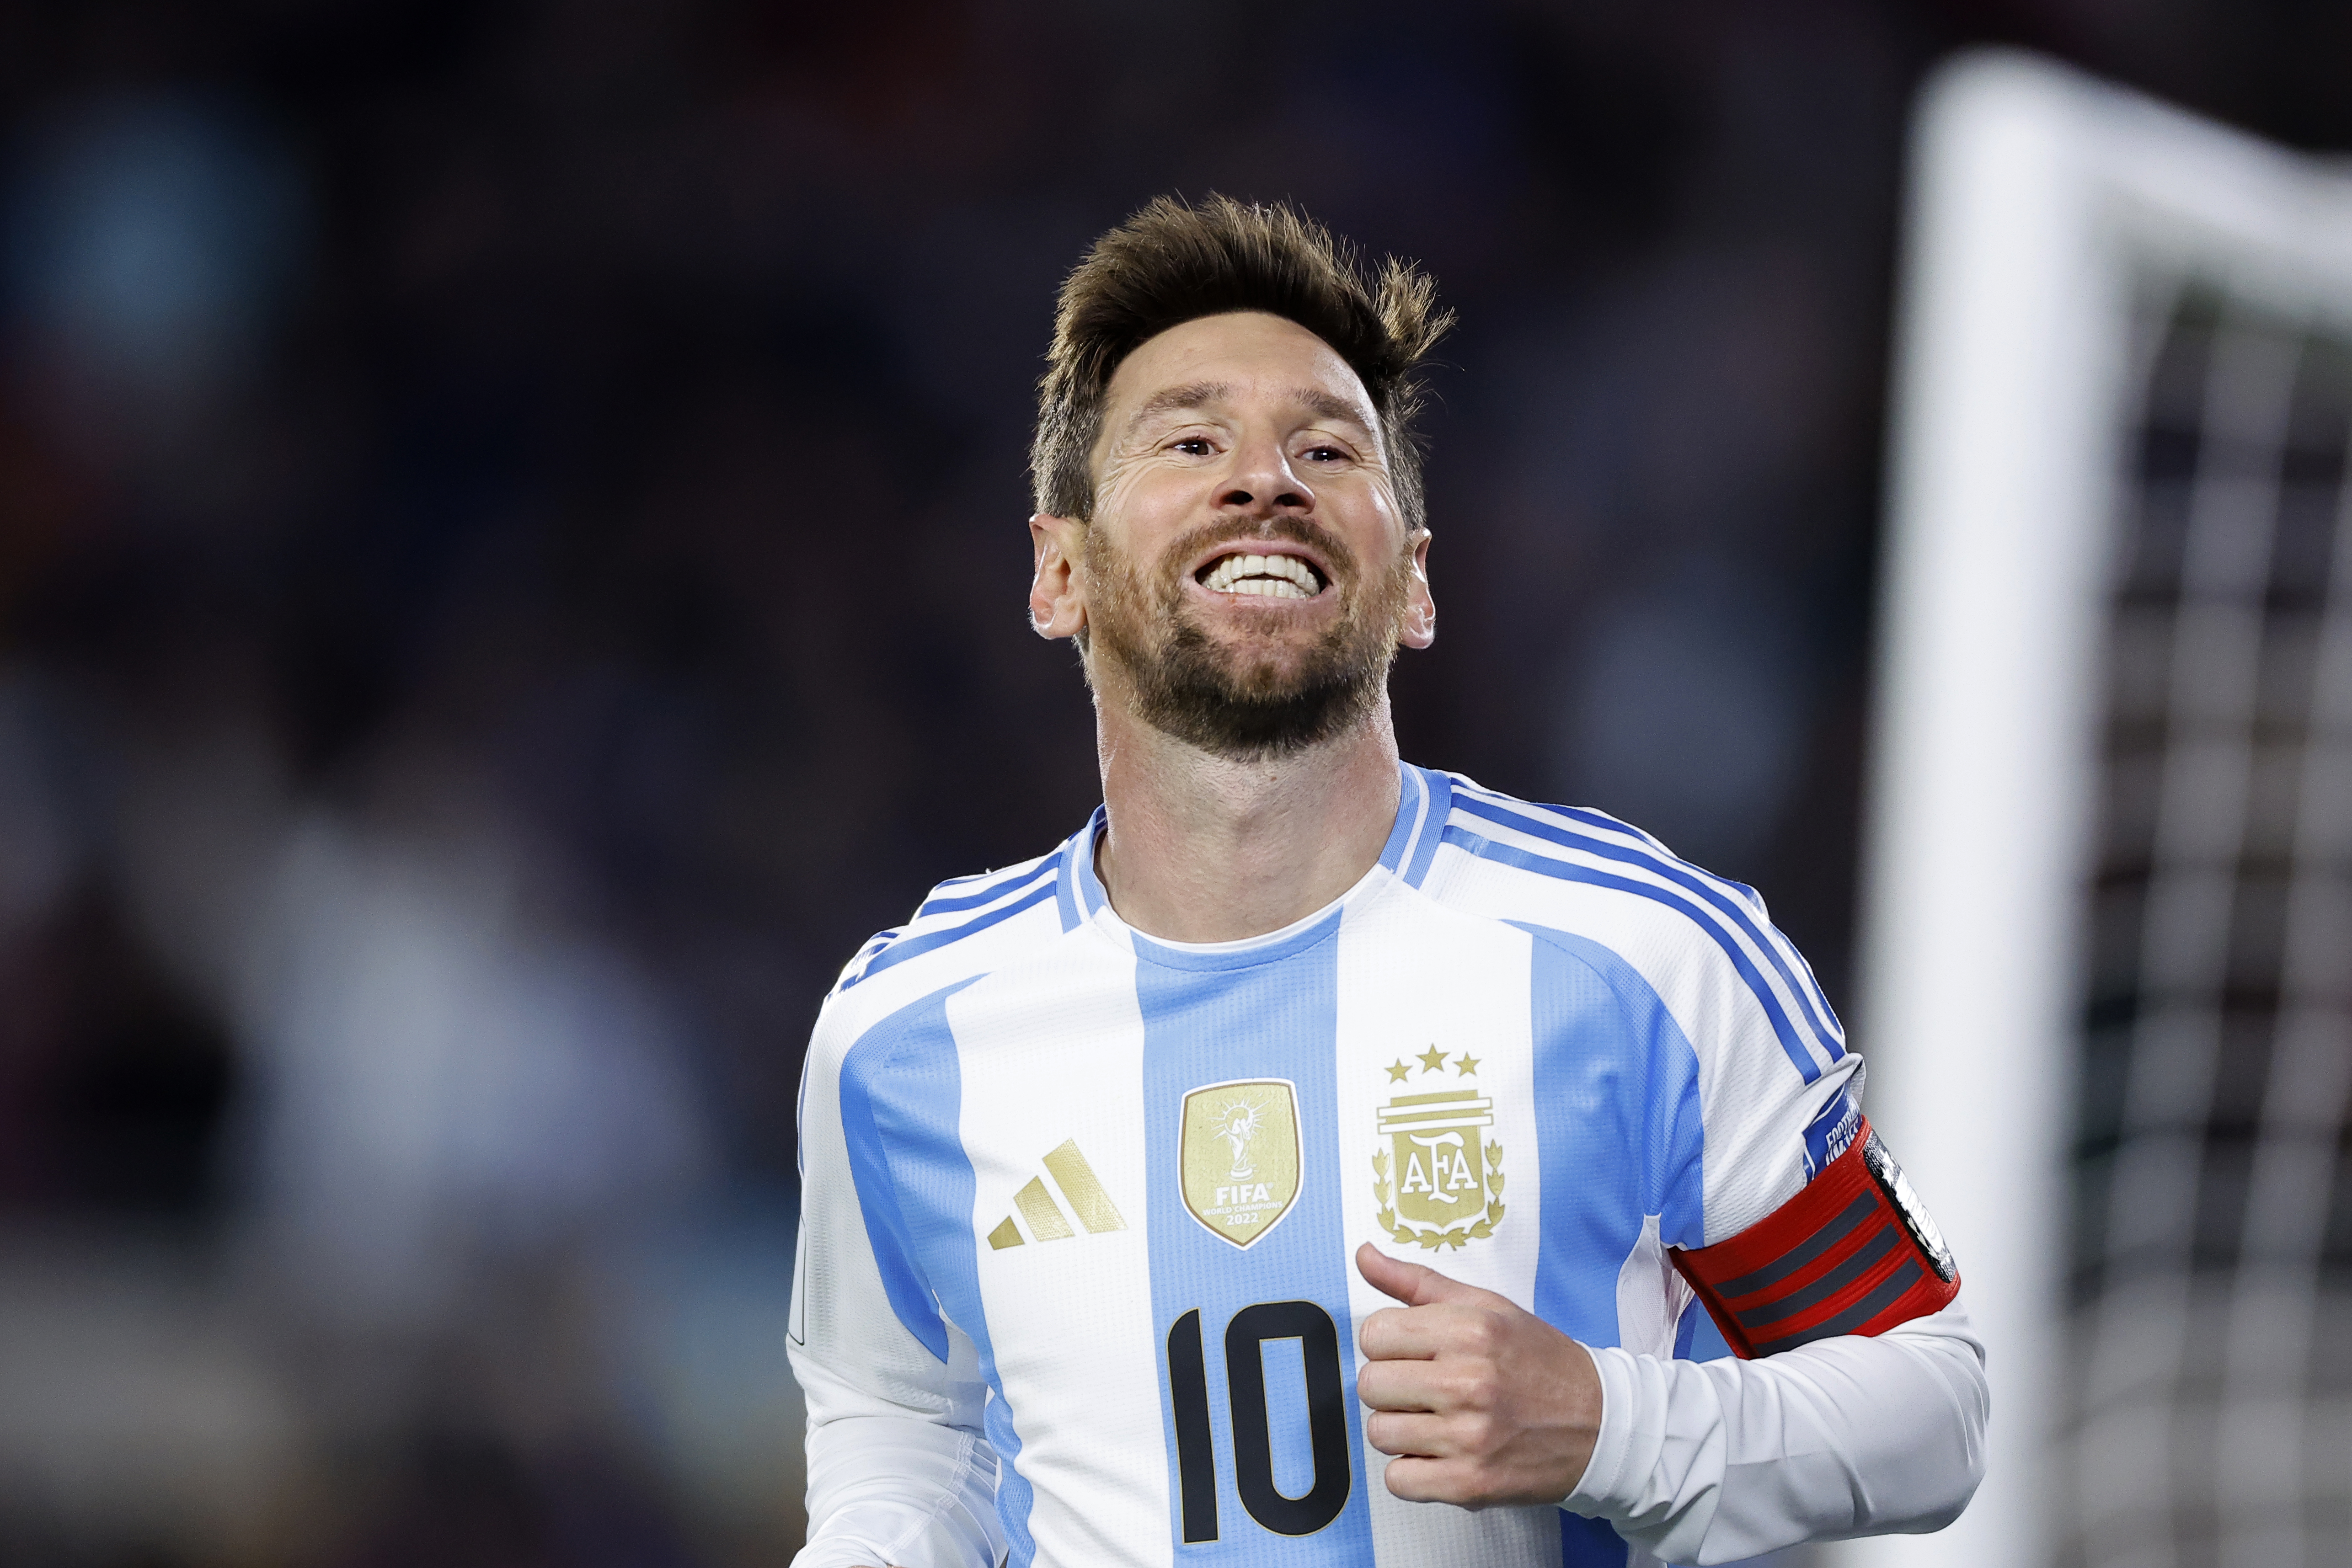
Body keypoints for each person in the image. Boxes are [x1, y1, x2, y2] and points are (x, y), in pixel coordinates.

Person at [786, 195, 1987, 1568]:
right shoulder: (905, 1033)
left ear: (1412, 584)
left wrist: (1611, 1427)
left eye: (1326, 445)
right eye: (1191, 440)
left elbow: (1932, 1401)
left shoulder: (1645, 958)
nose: (1265, 480)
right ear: (1059, 570)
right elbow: (900, 1419)